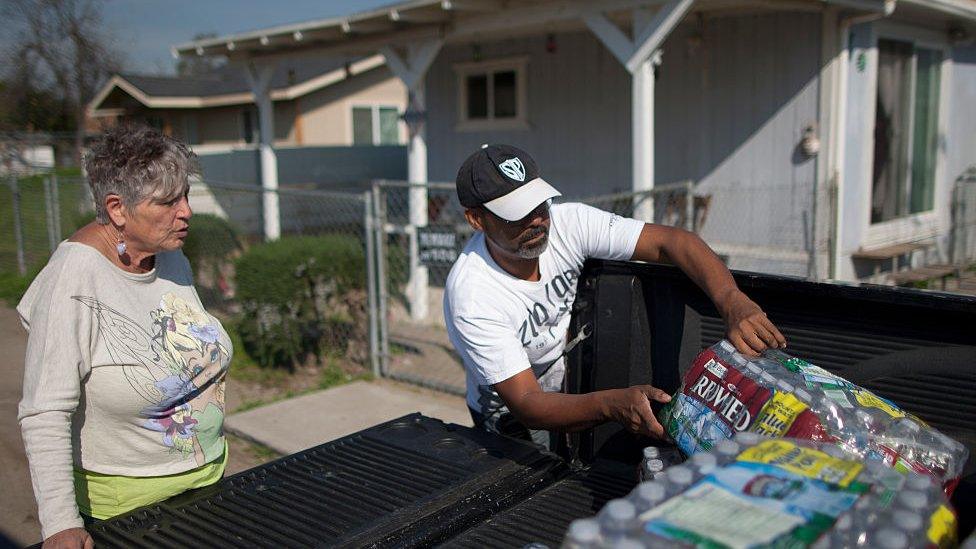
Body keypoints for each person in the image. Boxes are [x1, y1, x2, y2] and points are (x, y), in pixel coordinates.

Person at [443, 144, 786, 448]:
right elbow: (528, 403)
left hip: (563, 384)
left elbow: (673, 241)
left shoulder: (569, 223)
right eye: (517, 214)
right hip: (510, 415)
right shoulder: (474, 296)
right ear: (476, 219)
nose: (537, 221)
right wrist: (611, 405)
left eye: (540, 205)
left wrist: (732, 301)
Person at [18, 126, 231, 548]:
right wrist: (60, 523)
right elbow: (44, 412)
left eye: (185, 195)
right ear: (117, 208)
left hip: (208, 485)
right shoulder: (74, 279)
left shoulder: (167, 254)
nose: (186, 211)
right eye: (168, 201)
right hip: (127, 513)